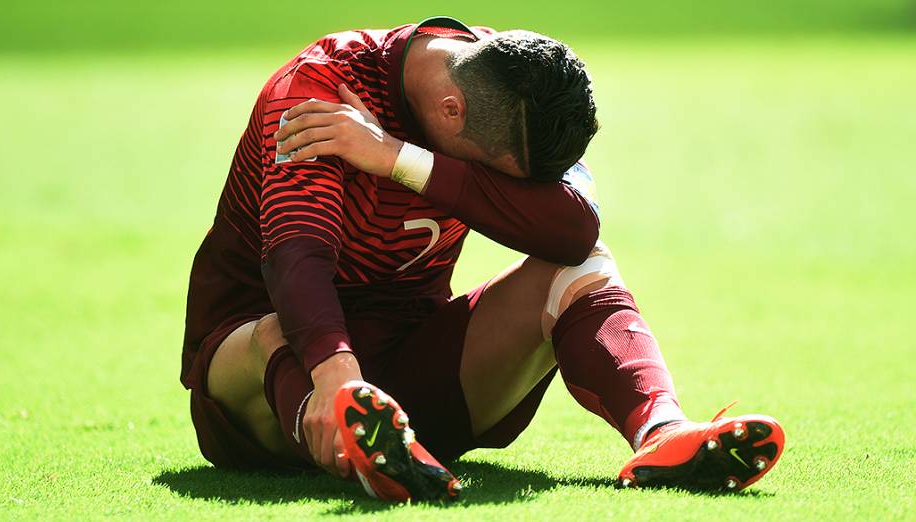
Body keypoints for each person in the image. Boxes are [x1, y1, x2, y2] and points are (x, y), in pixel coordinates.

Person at [181, 16, 785, 501]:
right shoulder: (318, 89)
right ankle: (364, 441)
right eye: (498, 180)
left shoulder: (516, 78)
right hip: (266, 386)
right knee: (274, 333)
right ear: (450, 111)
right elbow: (296, 257)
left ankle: (664, 434)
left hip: (409, 371)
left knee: (578, 267)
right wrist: (336, 376)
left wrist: (396, 157)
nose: (501, 194)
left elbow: (573, 230)